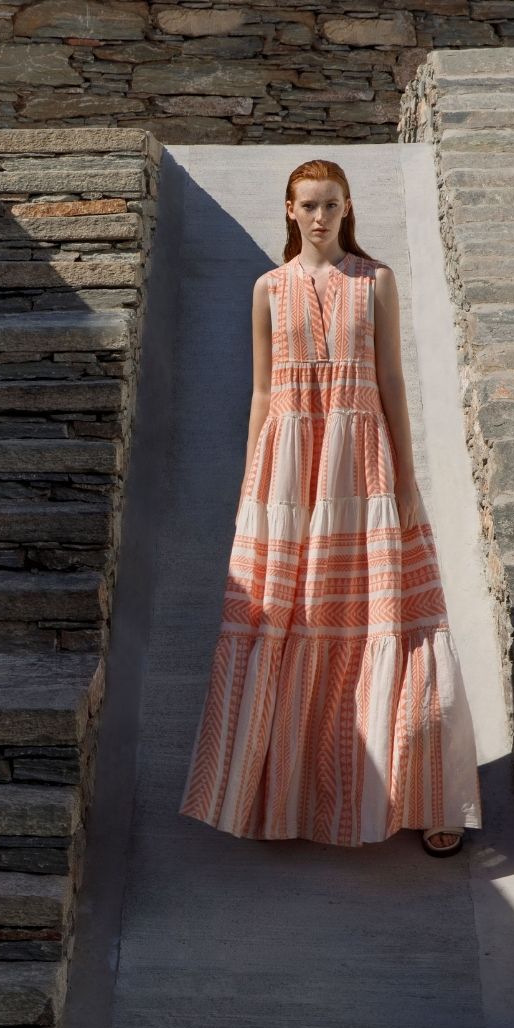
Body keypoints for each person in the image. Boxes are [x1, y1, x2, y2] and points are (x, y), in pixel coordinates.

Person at [178, 158, 482, 856]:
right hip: (287, 474)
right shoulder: (268, 289)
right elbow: (263, 392)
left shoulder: (376, 282)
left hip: (362, 468)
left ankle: (427, 797)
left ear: (347, 209)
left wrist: (405, 475)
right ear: (290, 210)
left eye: (331, 205)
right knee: (286, 620)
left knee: (392, 616)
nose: (320, 217)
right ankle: (275, 799)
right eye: (308, 205)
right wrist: (253, 483)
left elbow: (392, 382)